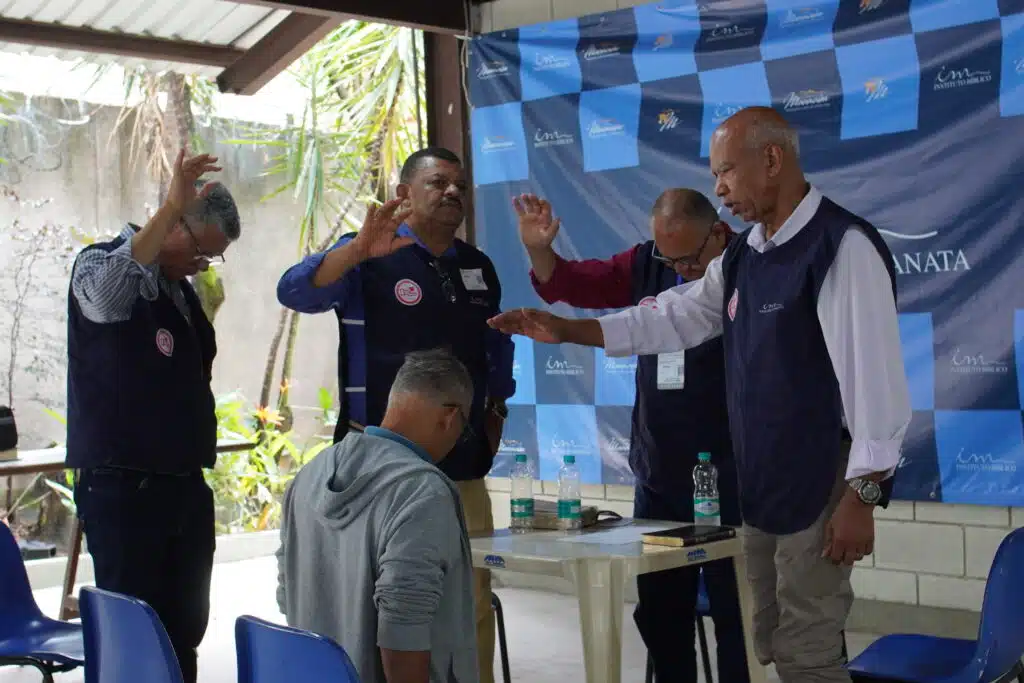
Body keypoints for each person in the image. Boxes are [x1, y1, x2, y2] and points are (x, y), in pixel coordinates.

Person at [489, 107, 912, 683]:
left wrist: (863, 494)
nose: (719, 190)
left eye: (726, 173)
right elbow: (672, 317)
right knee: (768, 637)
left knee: (807, 647)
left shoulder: (841, 247)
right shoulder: (747, 254)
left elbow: (876, 385)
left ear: (771, 160)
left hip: (820, 483)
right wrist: (567, 330)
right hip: (762, 490)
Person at [276, 147, 514, 683]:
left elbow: (496, 353)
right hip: (379, 467)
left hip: (462, 460)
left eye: (459, 183)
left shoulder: (477, 267)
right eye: (437, 182)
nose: (452, 191)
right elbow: (294, 291)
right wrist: (357, 250)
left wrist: (495, 412)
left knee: (469, 597)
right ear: (404, 193)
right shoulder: (368, 255)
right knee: (377, 598)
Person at [514, 189, 749, 683]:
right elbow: (572, 284)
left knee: (739, 613)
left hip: (733, 480)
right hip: (662, 479)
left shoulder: (747, 268)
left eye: (688, 258)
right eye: (669, 258)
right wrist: (540, 250)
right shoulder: (647, 263)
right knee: (663, 609)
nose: (679, 268)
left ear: (719, 234)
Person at [66, 149, 241, 683]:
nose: (201, 266)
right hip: (125, 489)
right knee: (133, 633)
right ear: (174, 221)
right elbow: (102, 299)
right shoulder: (100, 263)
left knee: (183, 629)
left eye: (213, 259)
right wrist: (169, 205)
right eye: (200, 251)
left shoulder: (182, 295)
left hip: (184, 488)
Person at [277, 348, 479, 683]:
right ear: (450, 417)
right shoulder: (421, 491)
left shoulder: (310, 474)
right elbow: (403, 628)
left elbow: (287, 594)